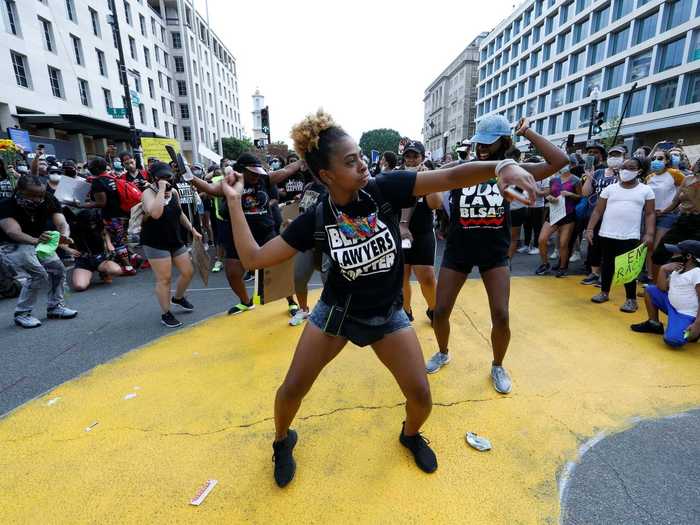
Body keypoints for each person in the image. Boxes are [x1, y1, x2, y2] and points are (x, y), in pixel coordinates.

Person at [218, 109, 541, 488]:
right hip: (336, 315)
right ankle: (281, 440)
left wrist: (501, 165)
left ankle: (409, 434)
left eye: (361, 157)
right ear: (326, 175)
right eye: (351, 162)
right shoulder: (318, 218)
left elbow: (452, 176)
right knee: (291, 390)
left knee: (421, 396)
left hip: (387, 316)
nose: (362, 167)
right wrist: (234, 201)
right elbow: (255, 258)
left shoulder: (385, 188)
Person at [425, 115, 567, 394]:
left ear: (504, 143)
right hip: (458, 250)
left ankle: (498, 365)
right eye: (480, 143)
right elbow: (427, 181)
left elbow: (558, 162)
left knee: (501, 315)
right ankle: (442, 352)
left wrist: (529, 133)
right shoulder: (460, 168)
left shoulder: (512, 170)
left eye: (490, 144)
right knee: (440, 311)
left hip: (494, 253)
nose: (483, 149)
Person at [190, 153, 305, 315]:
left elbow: (287, 170)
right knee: (233, 273)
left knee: (279, 269)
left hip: (265, 232)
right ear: (241, 171)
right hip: (239, 236)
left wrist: (304, 158)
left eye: (258, 172)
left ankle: (291, 302)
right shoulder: (230, 183)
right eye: (252, 172)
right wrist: (188, 175)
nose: (256, 176)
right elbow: (209, 188)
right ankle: (245, 302)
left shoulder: (265, 179)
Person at [0, 174, 78, 328]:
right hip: (13, 244)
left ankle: (55, 307)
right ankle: (22, 313)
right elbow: (13, 232)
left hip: (40, 241)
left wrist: (64, 236)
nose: (37, 199)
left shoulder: (48, 199)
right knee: (38, 274)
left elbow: (62, 222)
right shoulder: (5, 205)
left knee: (57, 269)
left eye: (40, 195)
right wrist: (37, 241)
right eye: (32, 195)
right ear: (20, 191)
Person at [586, 157, 655, 312]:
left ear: (639, 171)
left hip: (630, 235)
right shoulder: (610, 189)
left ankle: (631, 299)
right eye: (624, 167)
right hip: (607, 232)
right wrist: (590, 229)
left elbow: (650, 214)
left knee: (629, 267)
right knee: (607, 264)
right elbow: (598, 211)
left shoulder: (646, 190)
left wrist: (649, 233)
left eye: (630, 167)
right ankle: (604, 292)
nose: (625, 170)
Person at [141, 162, 199, 328]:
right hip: (155, 242)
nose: (167, 180)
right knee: (164, 279)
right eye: (162, 177)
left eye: (168, 176)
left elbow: (180, 213)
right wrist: (160, 190)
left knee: (188, 272)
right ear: (154, 178)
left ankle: (178, 298)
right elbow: (156, 213)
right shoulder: (148, 193)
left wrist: (192, 229)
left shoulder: (173, 192)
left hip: (174, 238)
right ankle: (166, 313)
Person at [398, 141, 441, 321]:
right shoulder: (398, 177)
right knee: (402, 276)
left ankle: (434, 310)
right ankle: (405, 312)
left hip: (423, 233)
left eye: (415, 156)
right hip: (400, 234)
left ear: (422, 158)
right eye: (408, 156)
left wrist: (428, 180)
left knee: (427, 277)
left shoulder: (429, 176)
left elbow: (436, 204)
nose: (411, 160)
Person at [632, 240, 700, 347]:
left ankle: (694, 332)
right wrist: (663, 270)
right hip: (672, 307)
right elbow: (662, 288)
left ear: (688, 256)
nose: (673, 255)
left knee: (673, 340)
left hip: (686, 314)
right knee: (650, 290)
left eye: (677, 252)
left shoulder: (697, 272)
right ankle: (654, 324)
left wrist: (697, 324)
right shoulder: (678, 269)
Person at [580, 146, 625, 286]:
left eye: (618, 155)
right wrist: (589, 177)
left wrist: (620, 175)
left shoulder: (626, 174)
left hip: (614, 216)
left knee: (609, 247)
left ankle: (606, 275)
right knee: (594, 245)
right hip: (595, 214)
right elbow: (586, 193)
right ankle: (594, 273)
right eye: (612, 154)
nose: (614, 157)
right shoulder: (598, 172)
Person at [83, 157, 137, 275]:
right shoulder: (112, 177)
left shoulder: (98, 182)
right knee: (122, 239)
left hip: (111, 216)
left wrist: (83, 205)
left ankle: (128, 268)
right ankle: (134, 257)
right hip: (123, 214)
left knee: (118, 242)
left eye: (91, 166)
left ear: (96, 168)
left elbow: (101, 203)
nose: (89, 168)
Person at [289, 173, 328, 326]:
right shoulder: (308, 187)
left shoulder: (331, 188)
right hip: (307, 241)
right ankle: (304, 309)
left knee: (329, 283)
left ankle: (331, 313)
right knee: (298, 277)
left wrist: (297, 224)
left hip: (326, 242)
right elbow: (304, 211)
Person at [535, 163, 581, 277]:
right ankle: (545, 264)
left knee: (563, 243)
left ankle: (562, 267)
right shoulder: (554, 180)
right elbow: (550, 194)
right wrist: (550, 198)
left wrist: (570, 194)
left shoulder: (576, 180)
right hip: (554, 213)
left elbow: (581, 196)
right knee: (542, 239)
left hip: (568, 215)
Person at [652, 159, 700, 267]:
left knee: (694, 256)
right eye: (697, 162)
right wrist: (663, 212)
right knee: (661, 251)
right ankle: (657, 280)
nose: (697, 164)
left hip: (698, 223)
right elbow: (675, 202)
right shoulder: (687, 179)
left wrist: (692, 195)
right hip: (683, 219)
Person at [645, 150, 684, 279]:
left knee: (658, 247)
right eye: (654, 158)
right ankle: (650, 276)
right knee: (649, 246)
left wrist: (670, 208)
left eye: (660, 158)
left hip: (668, 215)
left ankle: (659, 278)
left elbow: (683, 192)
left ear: (667, 161)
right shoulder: (649, 177)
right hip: (650, 215)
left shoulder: (675, 174)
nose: (656, 161)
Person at [67, 208, 123, 291]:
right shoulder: (73, 228)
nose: (92, 224)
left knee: (116, 270)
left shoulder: (98, 224)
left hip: (100, 258)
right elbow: (58, 239)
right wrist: (68, 249)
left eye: (93, 222)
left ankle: (103, 272)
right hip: (83, 260)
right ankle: (87, 274)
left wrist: (108, 243)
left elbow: (105, 232)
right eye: (90, 223)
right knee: (80, 286)